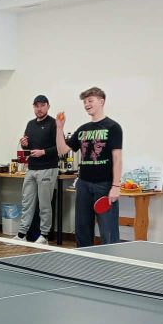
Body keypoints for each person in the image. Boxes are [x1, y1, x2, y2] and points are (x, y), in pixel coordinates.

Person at [55, 86, 123, 247]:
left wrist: (116, 186)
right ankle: (83, 259)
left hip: (104, 185)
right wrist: (59, 128)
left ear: (101, 101)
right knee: (82, 229)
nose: (86, 104)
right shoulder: (83, 129)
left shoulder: (113, 127)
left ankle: (112, 260)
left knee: (108, 231)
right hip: (83, 184)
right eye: (85, 102)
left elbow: (117, 158)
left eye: (90, 100)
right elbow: (62, 150)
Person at [19, 94, 59, 244]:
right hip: (32, 168)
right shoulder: (30, 124)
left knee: (44, 204)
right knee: (26, 202)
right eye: (36, 106)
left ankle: (44, 235)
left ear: (48, 106)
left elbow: (61, 147)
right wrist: (24, 144)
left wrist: (43, 152)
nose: (39, 109)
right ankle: (22, 234)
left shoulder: (54, 124)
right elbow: (28, 147)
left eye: (42, 105)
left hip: (47, 168)